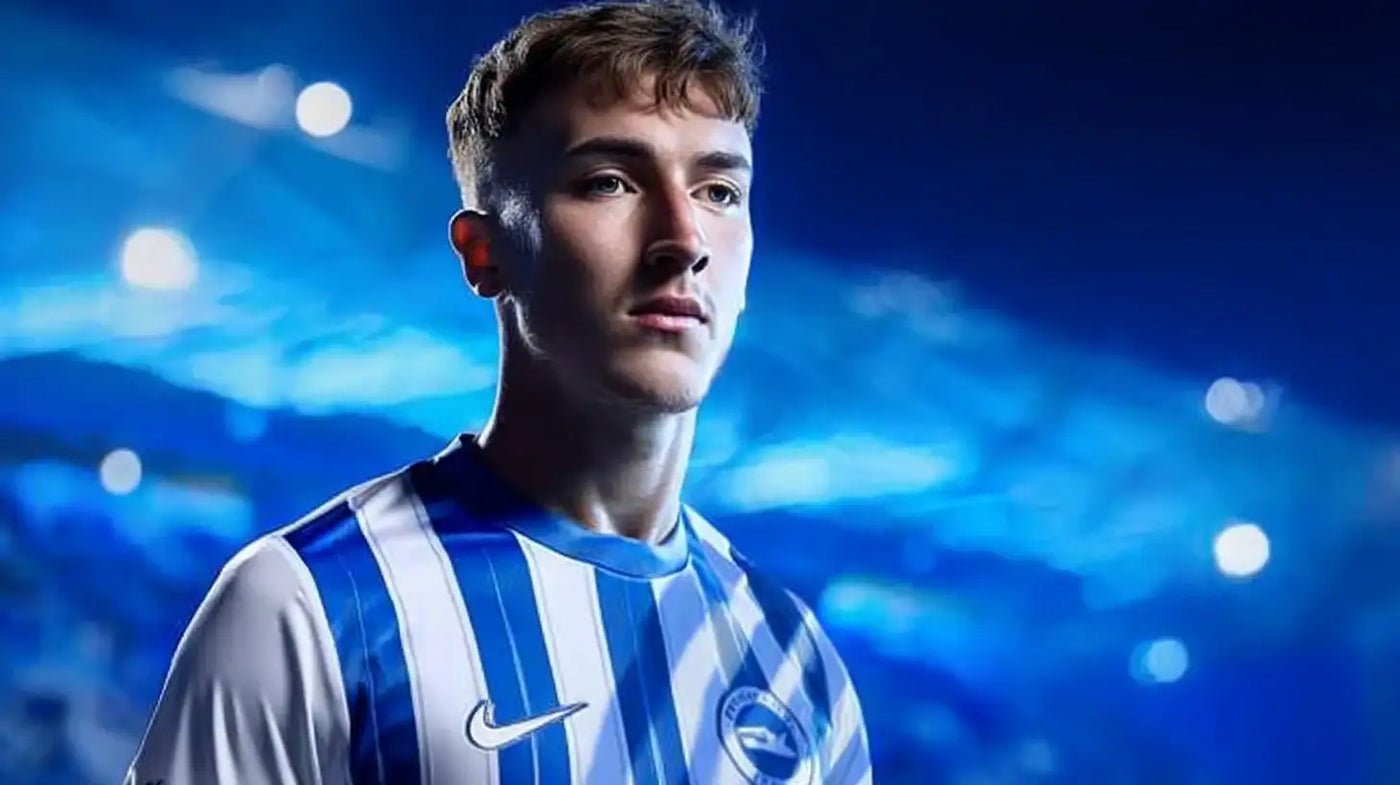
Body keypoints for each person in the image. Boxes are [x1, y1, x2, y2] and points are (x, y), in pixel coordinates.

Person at [124, 0, 871, 782]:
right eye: (610, 181)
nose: (683, 241)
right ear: (484, 253)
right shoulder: (308, 603)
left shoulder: (794, 657)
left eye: (719, 191)